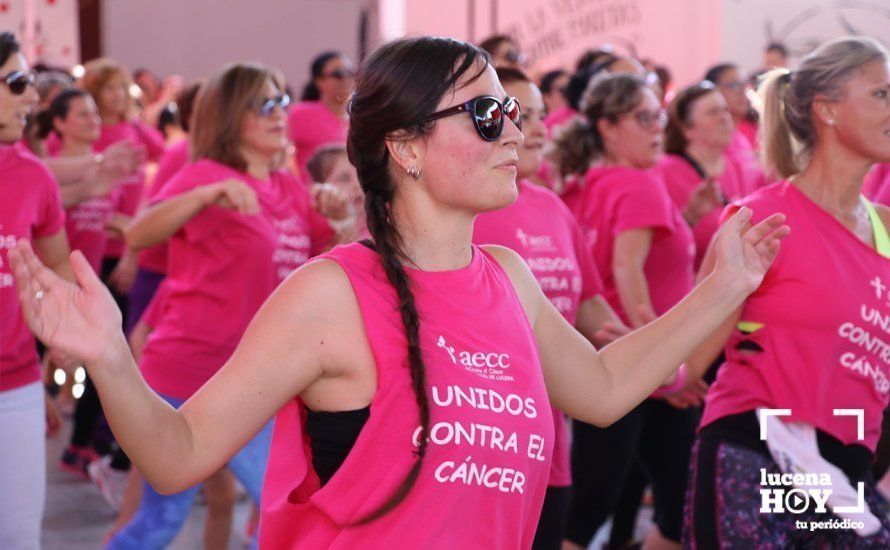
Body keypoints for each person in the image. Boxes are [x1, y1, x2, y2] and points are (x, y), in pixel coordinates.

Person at [9, 36, 787, 549]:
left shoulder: (508, 280)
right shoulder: (331, 296)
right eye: (487, 116)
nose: (514, 133)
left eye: (512, 113)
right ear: (406, 147)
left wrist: (725, 288)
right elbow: (178, 457)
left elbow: (607, 387)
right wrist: (110, 358)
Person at [685, 36, 890, 547]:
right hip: (753, 455)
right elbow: (688, 364)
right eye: (882, 94)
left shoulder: (886, 229)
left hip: (846, 467)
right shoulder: (762, 219)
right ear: (828, 110)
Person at [473, 67, 628, 549]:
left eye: (539, 115)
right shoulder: (471, 208)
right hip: (486, 453)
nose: (533, 128)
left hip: (552, 447)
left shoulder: (553, 206)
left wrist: (658, 359)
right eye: (517, 113)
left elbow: (588, 308)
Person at [551, 72, 706, 550]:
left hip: (607, 358)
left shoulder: (581, 186)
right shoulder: (639, 184)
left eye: (659, 114)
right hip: (640, 365)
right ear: (608, 127)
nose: (658, 125)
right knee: (669, 506)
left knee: (601, 506)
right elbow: (627, 273)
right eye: (644, 117)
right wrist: (662, 362)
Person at [0, 31, 73, 549]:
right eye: (16, 81)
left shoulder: (33, 176)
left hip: (15, 387)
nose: (32, 97)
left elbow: (59, 271)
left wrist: (60, 354)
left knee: (19, 536)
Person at [658, 81, 763, 271]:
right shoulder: (666, 172)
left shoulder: (736, 165)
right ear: (687, 129)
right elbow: (659, 248)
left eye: (725, 110)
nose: (725, 118)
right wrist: (690, 217)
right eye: (713, 112)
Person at [288, 51, 353, 174]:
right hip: (311, 191)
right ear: (319, 81)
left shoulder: (359, 117)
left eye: (350, 72)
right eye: (338, 74)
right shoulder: (301, 114)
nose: (346, 78)